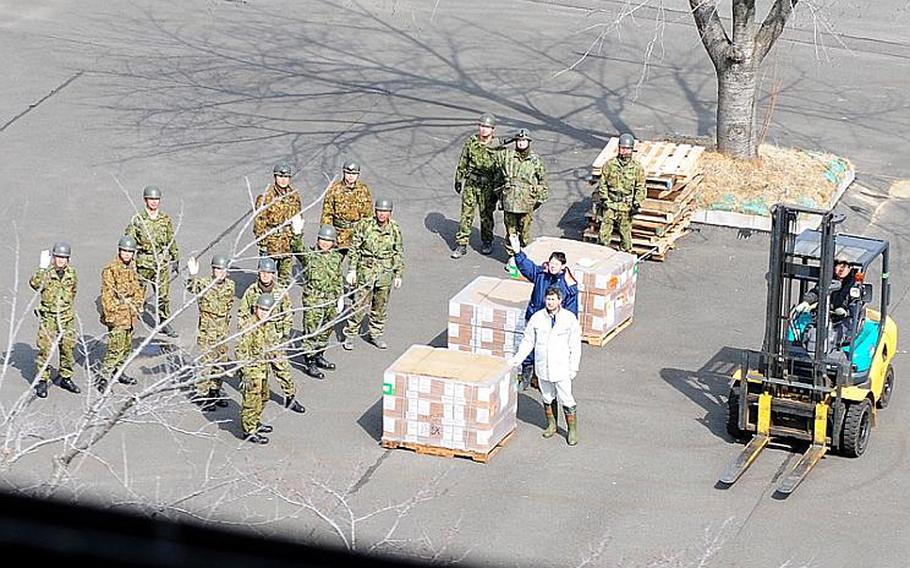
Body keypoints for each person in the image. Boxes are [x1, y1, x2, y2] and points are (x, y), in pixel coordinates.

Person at [509, 287, 582, 446]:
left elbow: (575, 345)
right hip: (543, 366)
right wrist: (517, 360)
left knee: (566, 398)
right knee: (547, 396)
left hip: (561, 367)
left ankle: (572, 430)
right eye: (548, 299)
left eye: (553, 299)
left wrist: (573, 367)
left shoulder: (569, 319)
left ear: (560, 301)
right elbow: (528, 341)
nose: (550, 302)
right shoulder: (537, 318)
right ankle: (552, 424)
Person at [508, 233, 578, 388]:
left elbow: (572, 310)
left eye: (556, 265)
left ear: (563, 267)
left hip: (553, 322)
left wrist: (567, 327)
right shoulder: (541, 274)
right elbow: (528, 268)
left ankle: (543, 378)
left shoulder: (569, 285)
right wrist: (518, 252)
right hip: (535, 316)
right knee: (529, 344)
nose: (552, 267)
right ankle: (526, 374)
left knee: (546, 350)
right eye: (551, 263)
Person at [237, 258, 305, 413]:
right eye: (263, 272)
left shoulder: (280, 292)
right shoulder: (251, 292)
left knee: (282, 369)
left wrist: (284, 334)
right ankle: (255, 403)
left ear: (273, 274)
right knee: (258, 373)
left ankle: (290, 397)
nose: (266, 275)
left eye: (269, 273)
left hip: (274, 338)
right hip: (256, 340)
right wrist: (248, 331)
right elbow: (242, 314)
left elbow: (287, 314)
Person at [343, 198, 404, 351]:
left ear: (390, 213)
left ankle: (375, 334)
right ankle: (350, 334)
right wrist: (352, 270)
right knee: (359, 305)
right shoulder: (365, 225)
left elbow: (398, 252)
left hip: (385, 272)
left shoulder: (394, 228)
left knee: (380, 306)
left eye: (385, 211)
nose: (382, 214)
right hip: (366, 271)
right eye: (379, 211)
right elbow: (354, 248)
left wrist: (398, 274)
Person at [125, 185, 180, 337]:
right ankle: (129, 324)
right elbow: (128, 240)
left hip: (160, 262)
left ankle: (164, 322)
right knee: (137, 295)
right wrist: (127, 261)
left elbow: (171, 239)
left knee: (163, 295)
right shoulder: (138, 220)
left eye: (156, 199)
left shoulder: (165, 220)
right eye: (151, 199)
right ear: (145, 200)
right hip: (143, 262)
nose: (154, 202)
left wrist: (175, 257)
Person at [29, 242, 80, 398]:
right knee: (45, 350)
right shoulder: (46, 273)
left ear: (68, 260)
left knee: (67, 348)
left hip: (66, 317)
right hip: (49, 318)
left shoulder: (72, 273)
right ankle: (42, 381)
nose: (61, 261)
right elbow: (35, 284)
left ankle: (66, 377)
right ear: (53, 258)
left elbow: (73, 292)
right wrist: (42, 268)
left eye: (64, 258)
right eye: (58, 257)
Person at [451, 113, 505, 259]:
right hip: (471, 184)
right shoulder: (471, 142)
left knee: (486, 215)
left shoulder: (497, 146)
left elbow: (501, 169)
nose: (483, 129)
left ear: (493, 129)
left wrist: (500, 191)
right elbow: (463, 160)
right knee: (466, 214)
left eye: (487, 127)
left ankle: (487, 241)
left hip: (487, 186)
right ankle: (461, 244)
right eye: (481, 126)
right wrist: (458, 178)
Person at [293, 225, 344, 379]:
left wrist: (340, 296)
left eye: (328, 240)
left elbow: (337, 277)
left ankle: (319, 355)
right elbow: (297, 249)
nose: (325, 243)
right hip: (314, 299)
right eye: (322, 239)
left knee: (326, 329)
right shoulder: (310, 255)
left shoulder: (336, 257)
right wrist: (297, 234)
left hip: (330, 299)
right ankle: (309, 361)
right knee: (312, 330)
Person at [186, 253, 235, 411]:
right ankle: (202, 394)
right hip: (207, 330)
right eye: (216, 269)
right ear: (212, 270)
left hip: (222, 329)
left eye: (223, 270)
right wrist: (193, 274)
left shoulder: (230, 285)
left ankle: (215, 390)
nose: (219, 272)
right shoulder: (204, 283)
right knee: (205, 363)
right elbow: (191, 287)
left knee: (220, 361)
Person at [236, 293, 285, 445]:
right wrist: (245, 373)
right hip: (251, 372)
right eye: (262, 309)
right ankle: (248, 431)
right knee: (251, 402)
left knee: (263, 397)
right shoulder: (249, 327)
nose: (264, 313)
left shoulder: (266, 326)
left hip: (262, 369)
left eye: (267, 310)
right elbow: (240, 351)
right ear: (255, 308)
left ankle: (254, 422)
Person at [99, 236, 145, 391]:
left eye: (129, 252)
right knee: (114, 348)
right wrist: (111, 317)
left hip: (130, 315)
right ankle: (104, 378)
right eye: (124, 251)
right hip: (118, 316)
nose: (126, 254)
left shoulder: (131, 268)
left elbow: (138, 288)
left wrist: (138, 306)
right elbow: (107, 295)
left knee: (126, 347)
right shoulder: (111, 269)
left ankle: (119, 372)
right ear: (119, 251)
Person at [494, 128, 548, 259]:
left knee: (524, 233)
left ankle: (524, 259)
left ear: (529, 142)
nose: (521, 143)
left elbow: (543, 181)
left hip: (526, 202)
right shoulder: (508, 157)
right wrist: (508, 141)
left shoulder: (535, 160)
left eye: (524, 140)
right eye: (518, 140)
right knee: (511, 233)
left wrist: (539, 199)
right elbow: (493, 149)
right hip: (510, 201)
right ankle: (512, 258)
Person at [254, 162, 303, 287]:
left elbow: (298, 216)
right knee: (265, 278)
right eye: (280, 177)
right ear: (275, 177)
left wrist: (297, 237)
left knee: (284, 279)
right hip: (270, 242)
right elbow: (259, 222)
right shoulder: (266, 196)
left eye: (286, 177)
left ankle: (281, 303)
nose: (283, 180)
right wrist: (263, 244)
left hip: (287, 243)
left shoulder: (293, 195)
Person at [596, 133, 646, 253]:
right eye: (622, 148)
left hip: (626, 207)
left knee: (625, 237)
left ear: (632, 150)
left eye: (627, 148)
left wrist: (637, 203)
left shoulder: (637, 167)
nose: (624, 151)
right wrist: (605, 199)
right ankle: (602, 255)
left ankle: (625, 257)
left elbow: (641, 187)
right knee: (603, 235)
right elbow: (602, 183)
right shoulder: (610, 164)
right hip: (611, 204)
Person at [794, 258, 859, 345]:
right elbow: (816, 292)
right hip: (823, 315)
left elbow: (854, 304)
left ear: (850, 268)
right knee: (799, 328)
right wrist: (806, 301)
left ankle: (835, 346)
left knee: (837, 335)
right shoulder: (827, 279)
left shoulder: (854, 284)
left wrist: (844, 310)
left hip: (843, 319)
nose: (841, 269)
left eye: (845, 266)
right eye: (839, 265)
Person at [320, 161, 374, 255]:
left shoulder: (363, 190)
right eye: (348, 173)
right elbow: (327, 214)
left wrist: (367, 234)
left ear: (358, 175)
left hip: (357, 234)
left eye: (354, 174)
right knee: (333, 264)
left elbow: (368, 215)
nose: (351, 176)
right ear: (344, 173)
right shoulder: (334, 189)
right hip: (339, 233)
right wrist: (327, 236)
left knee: (360, 265)